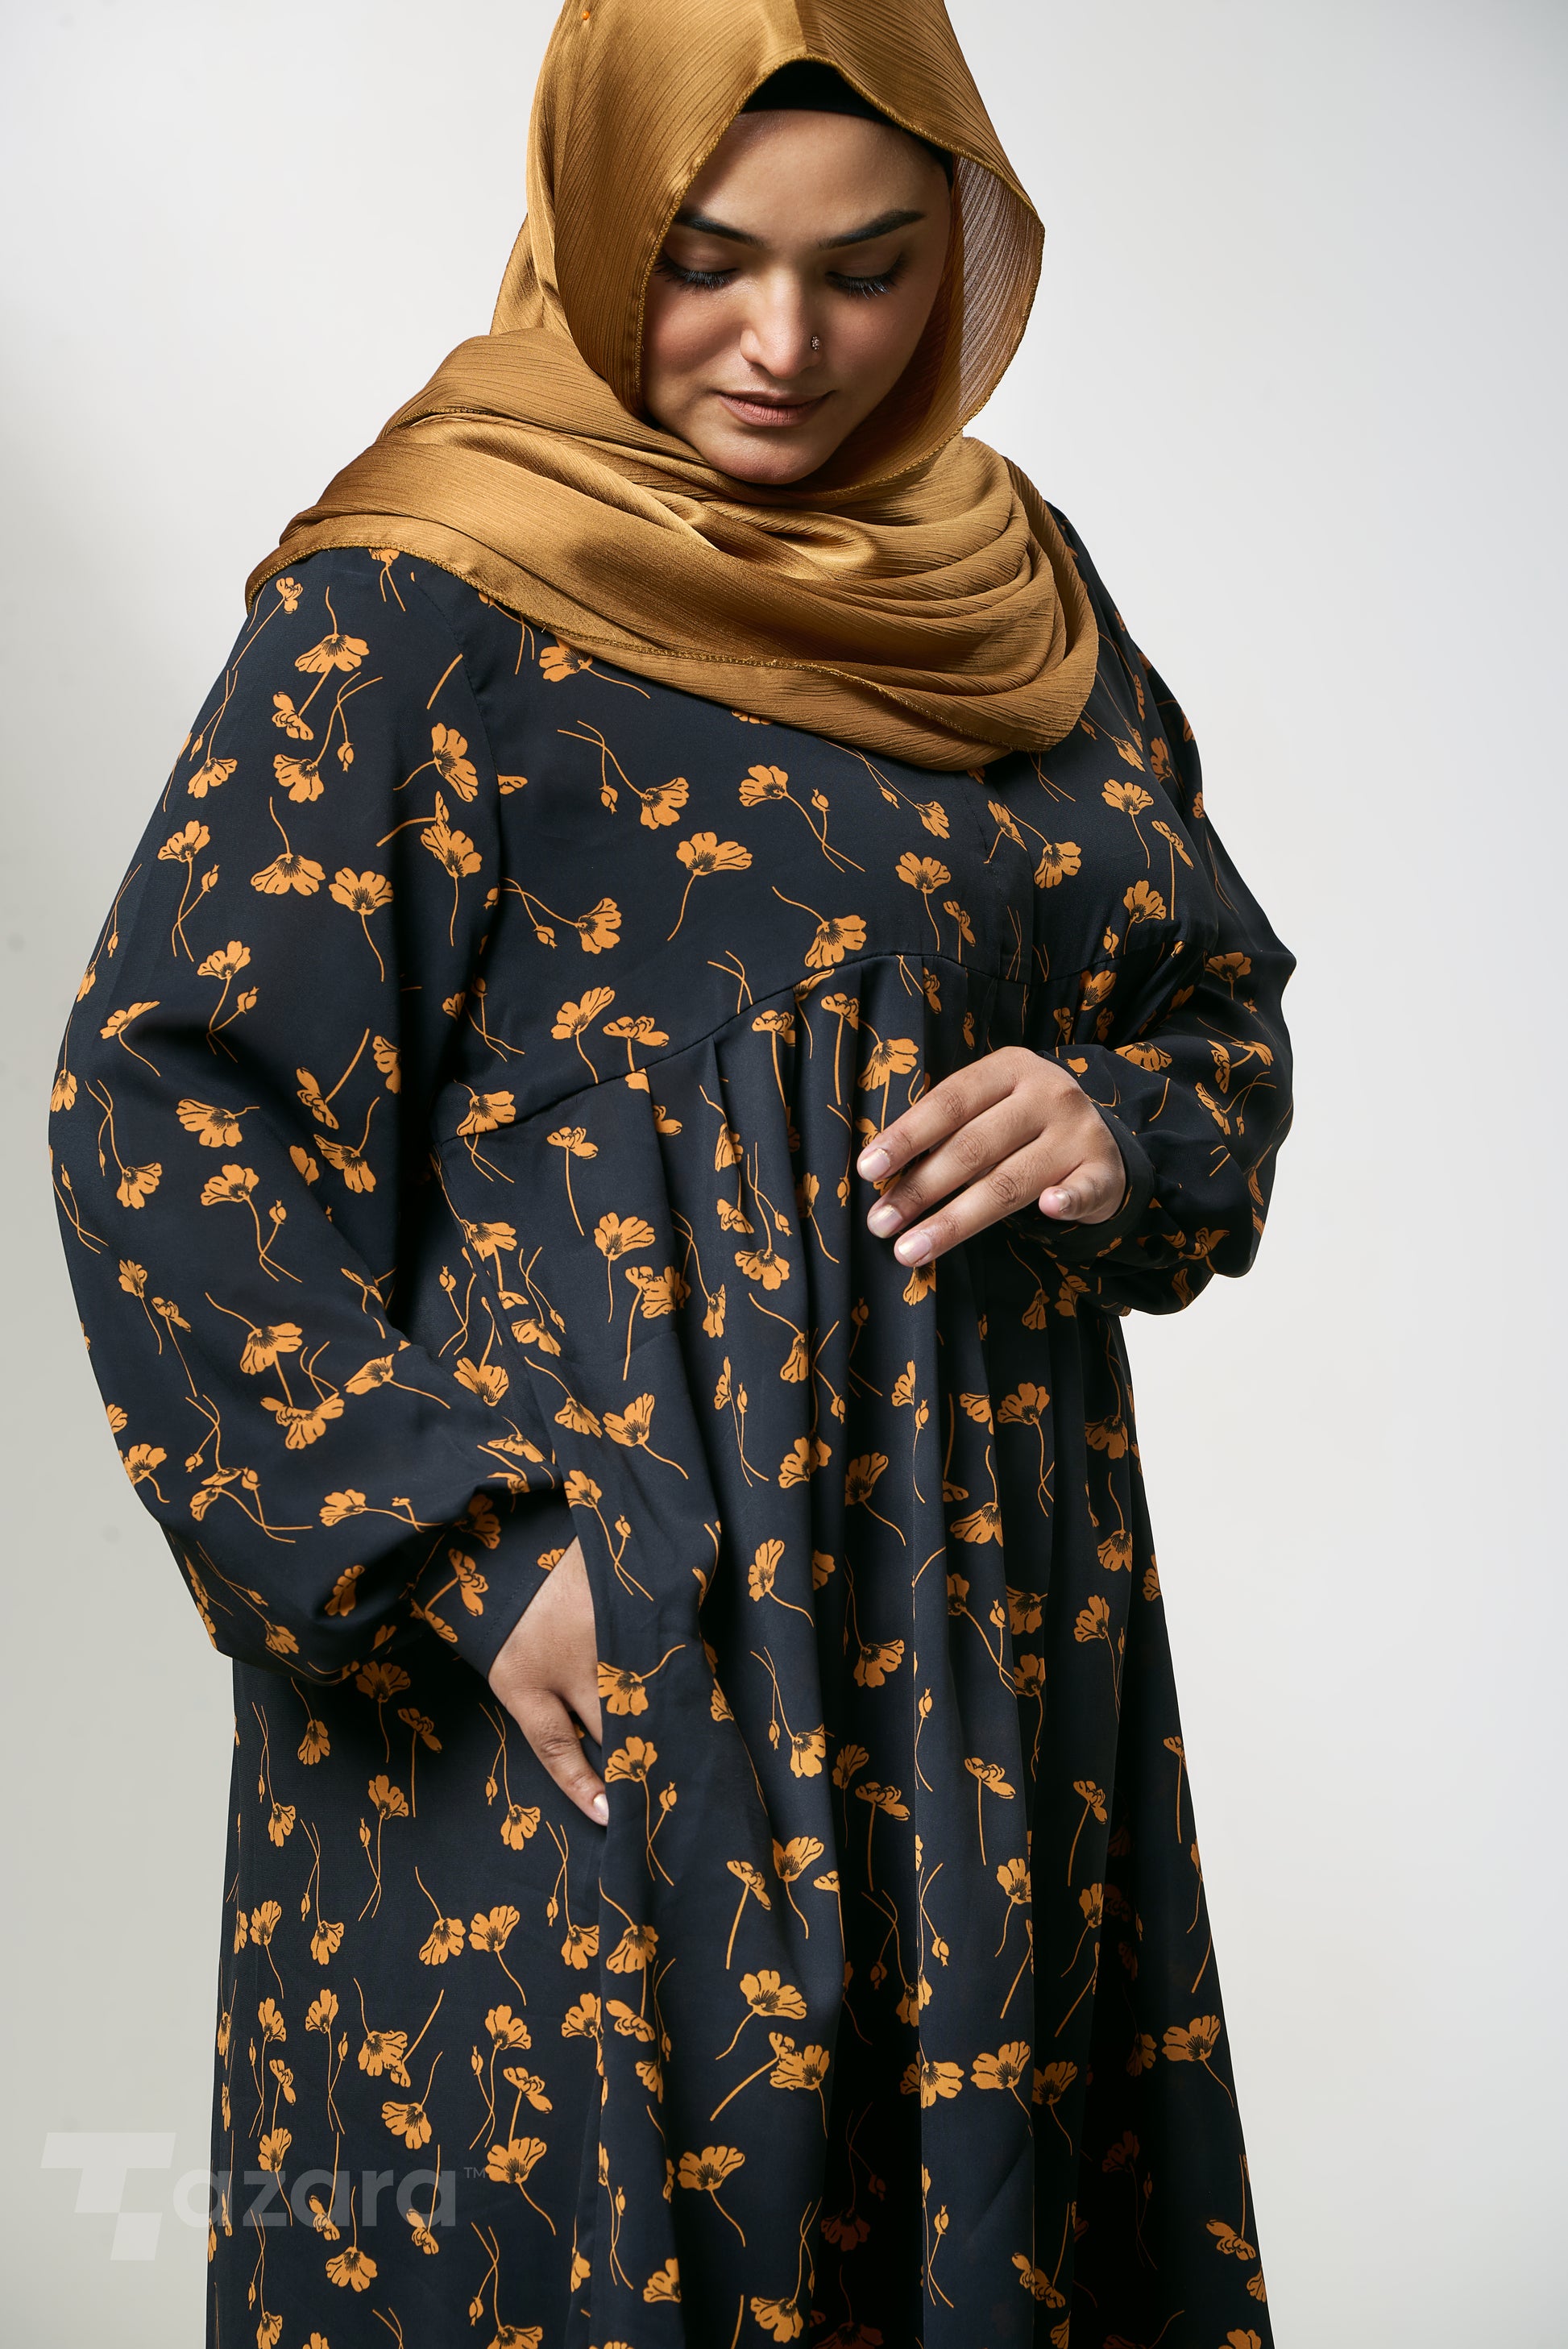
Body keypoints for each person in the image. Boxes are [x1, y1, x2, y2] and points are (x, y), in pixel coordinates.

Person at [48, 3, 1293, 2343]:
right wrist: (455, 1546)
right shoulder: (417, 597)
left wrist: (1111, 1116)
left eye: (870, 269)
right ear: (600, 215)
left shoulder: (1015, 599)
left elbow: (1209, 1010)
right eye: (708, 261)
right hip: (577, 1671)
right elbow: (166, 1104)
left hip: (974, 1674)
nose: (785, 345)